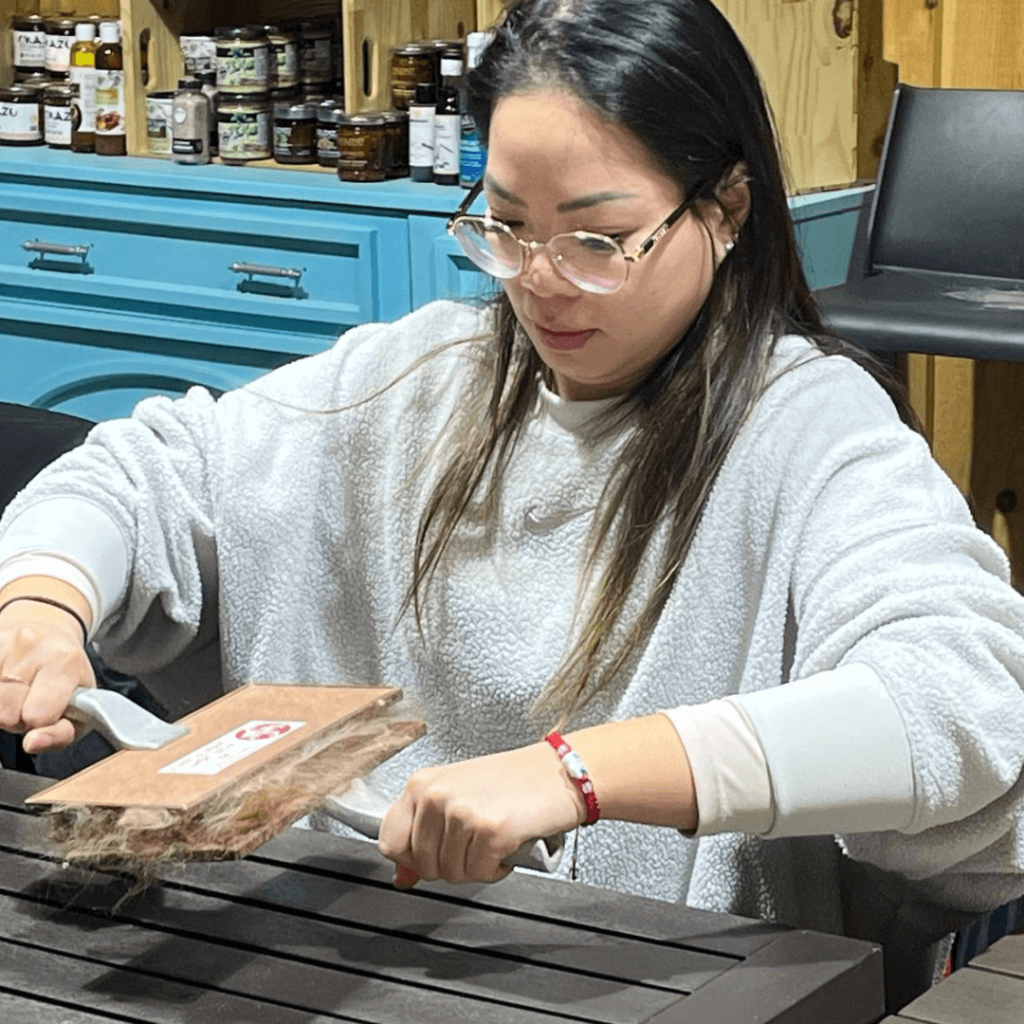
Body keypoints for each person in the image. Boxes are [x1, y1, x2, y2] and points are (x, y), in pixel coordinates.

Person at [1, 0, 1023, 1009]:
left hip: (652, 976)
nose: (539, 284)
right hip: (354, 946)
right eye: (506, 225)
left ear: (726, 208)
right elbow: (149, 470)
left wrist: (576, 775)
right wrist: (45, 600)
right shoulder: (422, 371)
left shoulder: (807, 426)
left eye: (597, 238)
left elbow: (956, 701)